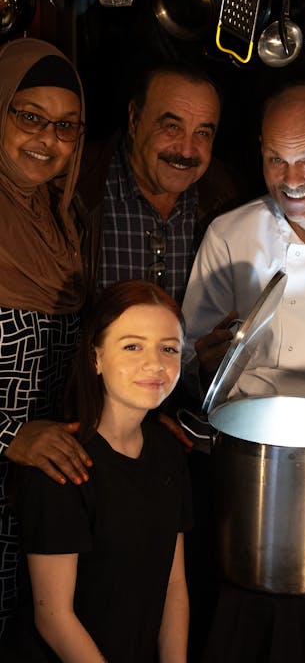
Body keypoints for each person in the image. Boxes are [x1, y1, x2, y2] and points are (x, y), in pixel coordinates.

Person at [16, 280, 192, 662]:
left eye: (169, 348)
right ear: (95, 358)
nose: (155, 364)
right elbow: (54, 618)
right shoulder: (62, 464)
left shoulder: (168, 450)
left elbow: (174, 583)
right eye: (132, 346)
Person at [182, 82, 305, 398]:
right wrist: (205, 365)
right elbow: (187, 357)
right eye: (276, 160)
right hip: (248, 418)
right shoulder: (229, 235)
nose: (291, 180)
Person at [0, 39, 90, 642]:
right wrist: (9, 433)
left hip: (35, 498)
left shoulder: (64, 218)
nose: (46, 139)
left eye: (65, 126)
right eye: (30, 116)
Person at [77, 61, 239, 304]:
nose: (186, 151)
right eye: (172, 127)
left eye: (202, 133)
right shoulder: (77, 186)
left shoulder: (229, 199)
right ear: (134, 120)